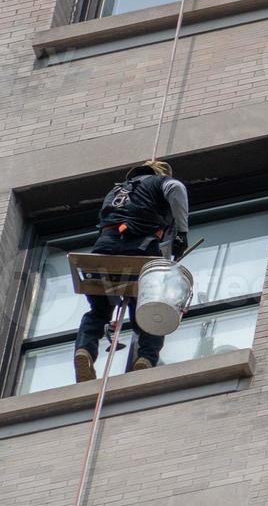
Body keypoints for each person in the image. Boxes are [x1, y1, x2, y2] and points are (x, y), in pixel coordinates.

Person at [73, 159, 189, 382]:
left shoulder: (117, 191)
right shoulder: (159, 182)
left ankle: (84, 350)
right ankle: (146, 357)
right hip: (139, 249)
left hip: (103, 252)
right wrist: (181, 233)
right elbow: (176, 188)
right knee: (152, 310)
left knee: (98, 311)